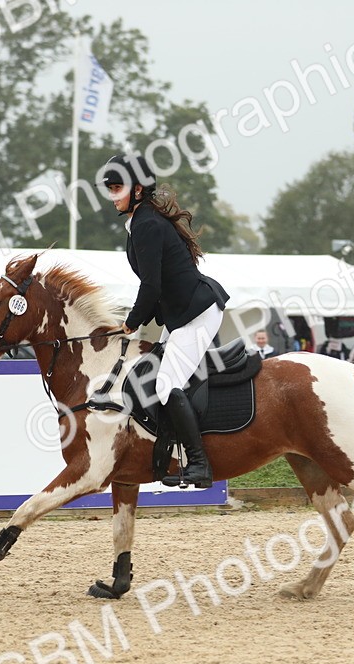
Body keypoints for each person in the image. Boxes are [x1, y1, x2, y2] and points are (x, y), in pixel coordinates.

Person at [104, 154, 229, 489]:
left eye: (118, 188)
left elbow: (152, 286)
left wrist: (131, 322)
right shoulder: (140, 222)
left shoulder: (146, 224)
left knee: (165, 384)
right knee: (155, 373)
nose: (113, 196)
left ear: (139, 189)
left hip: (197, 313)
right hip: (181, 316)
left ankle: (200, 465)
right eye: (111, 189)